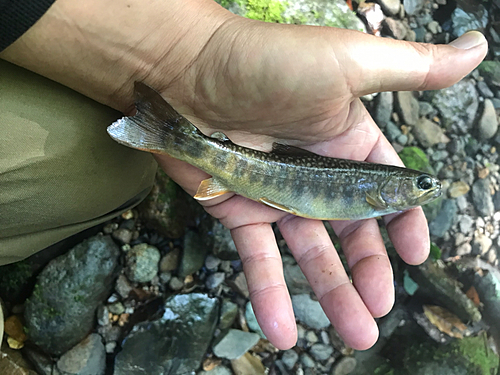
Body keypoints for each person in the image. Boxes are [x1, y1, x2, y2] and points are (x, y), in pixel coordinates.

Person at [0, 0, 488, 351]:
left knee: (116, 182)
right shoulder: (373, 194)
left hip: (239, 164)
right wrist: (197, 53)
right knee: (109, 176)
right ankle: (167, 134)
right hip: (240, 160)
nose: (426, 189)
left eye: (423, 185)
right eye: (420, 185)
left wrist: (184, 52)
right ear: (393, 187)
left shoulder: (376, 195)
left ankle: (158, 133)